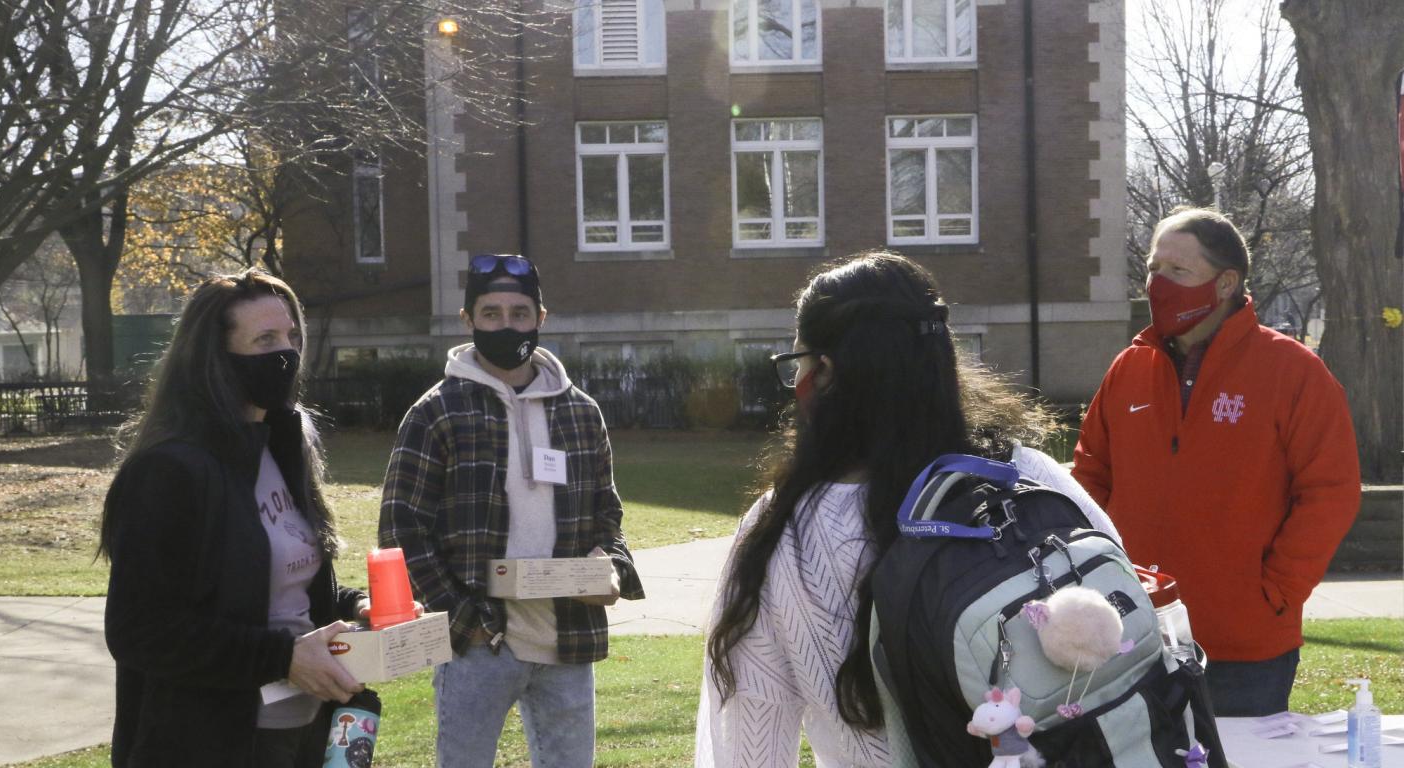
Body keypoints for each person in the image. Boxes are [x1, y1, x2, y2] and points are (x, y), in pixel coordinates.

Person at [696, 251, 1112, 767]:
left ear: (823, 371)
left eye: (797, 363)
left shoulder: (783, 532)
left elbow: (749, 745)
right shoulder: (1034, 478)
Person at [1072, 207, 1360, 716]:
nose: (1158, 284)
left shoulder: (1291, 370)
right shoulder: (1129, 368)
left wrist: (1277, 590)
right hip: (1131, 638)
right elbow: (1090, 475)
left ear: (1226, 283)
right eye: (1153, 269)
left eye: (1178, 272)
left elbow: (1330, 491)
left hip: (1244, 648)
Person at [99, 269, 378, 766]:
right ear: (215, 356)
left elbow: (280, 585)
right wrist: (281, 658)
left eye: (292, 336)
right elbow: (138, 630)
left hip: (304, 725)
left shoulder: (284, 444)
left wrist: (357, 605)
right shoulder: (169, 469)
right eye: (265, 339)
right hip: (212, 739)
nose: (286, 354)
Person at [379, 253, 645, 768]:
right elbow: (400, 527)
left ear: (540, 318)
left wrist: (609, 565)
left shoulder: (580, 412)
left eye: (519, 313)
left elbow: (606, 513)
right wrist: (461, 617)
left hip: (566, 636)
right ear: (469, 321)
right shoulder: (437, 411)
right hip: (480, 641)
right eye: (492, 314)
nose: (507, 325)